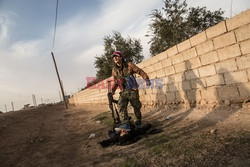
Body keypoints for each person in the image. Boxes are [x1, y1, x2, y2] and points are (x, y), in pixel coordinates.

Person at [111, 51, 151, 132]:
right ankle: (126, 123)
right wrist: (112, 91)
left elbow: (140, 71)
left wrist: (146, 78)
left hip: (133, 90)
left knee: (136, 107)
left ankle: (138, 123)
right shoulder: (114, 70)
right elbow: (115, 81)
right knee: (121, 106)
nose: (115, 58)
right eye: (113, 57)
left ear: (121, 57)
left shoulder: (129, 65)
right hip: (123, 91)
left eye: (117, 56)